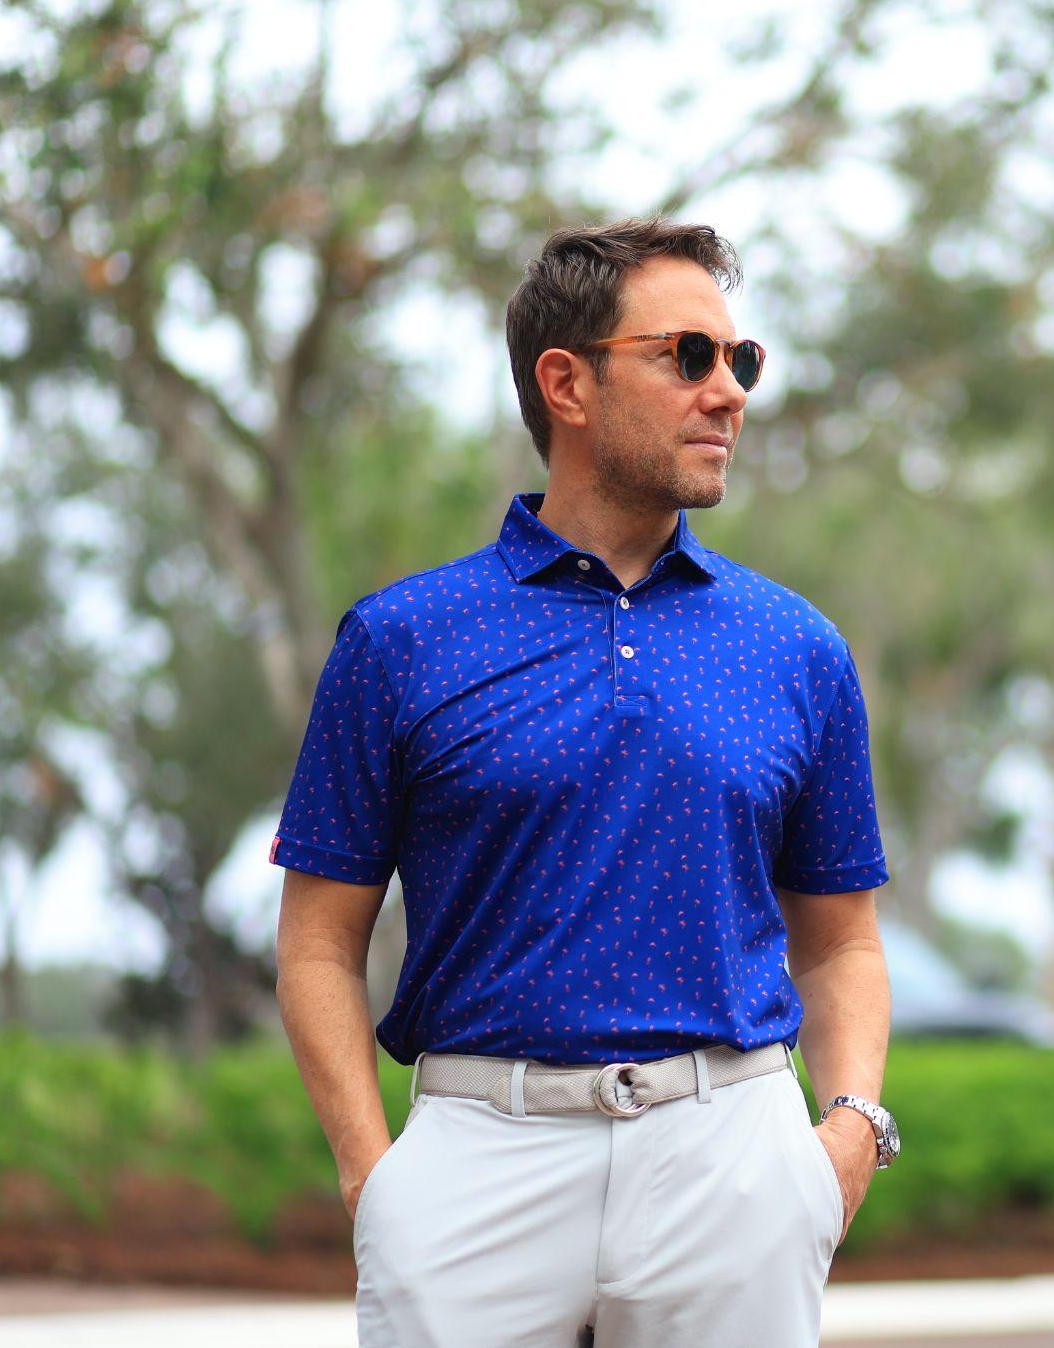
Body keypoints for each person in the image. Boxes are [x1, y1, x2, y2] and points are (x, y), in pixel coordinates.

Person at [270, 217, 900, 1347]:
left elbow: (841, 938)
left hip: (732, 1164)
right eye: (688, 356)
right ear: (564, 382)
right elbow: (319, 942)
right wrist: (377, 1183)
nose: (729, 393)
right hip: (475, 1170)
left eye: (741, 360)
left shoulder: (794, 647)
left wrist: (845, 1131)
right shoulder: (403, 639)